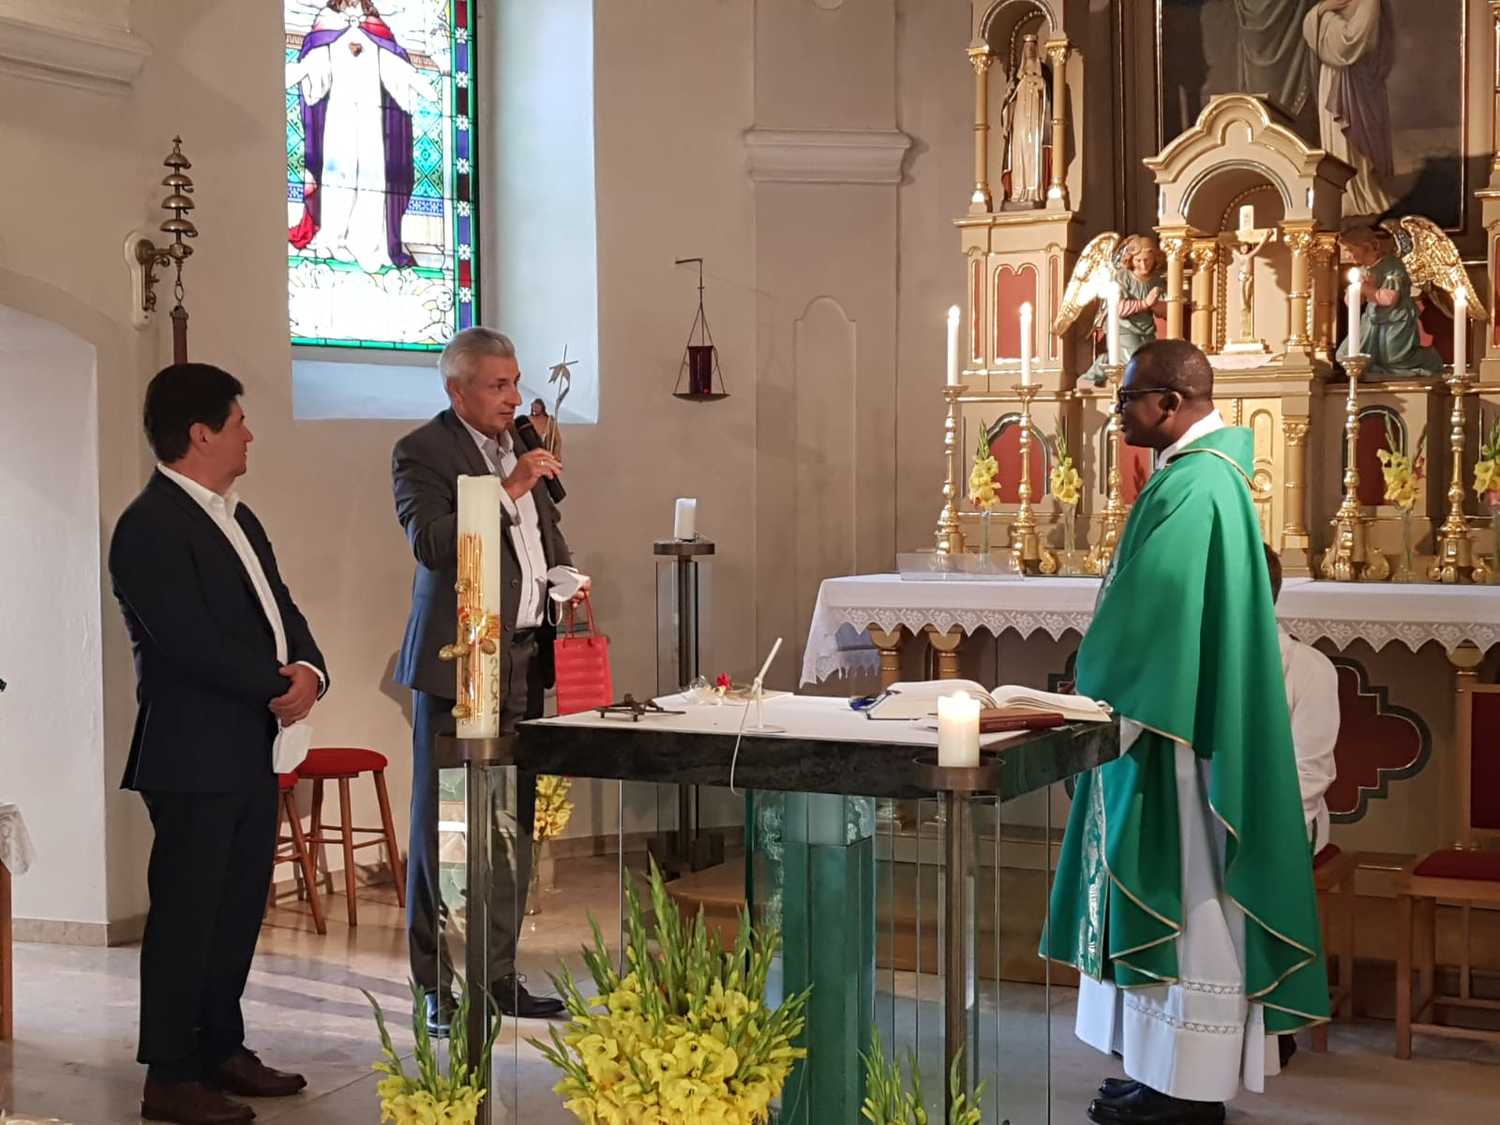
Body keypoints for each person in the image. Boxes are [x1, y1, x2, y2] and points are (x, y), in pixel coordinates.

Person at [1042, 339, 1328, 1125]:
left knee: (1192, 904)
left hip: (1179, 738)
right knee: (1177, 906)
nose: (1117, 411)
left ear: (1170, 403)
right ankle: (1160, 1071)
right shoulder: (1196, 477)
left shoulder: (1198, 485)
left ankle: (1189, 1090)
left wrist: (1095, 685)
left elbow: (1156, 617)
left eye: (1128, 397)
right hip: (1170, 721)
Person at [110, 364, 328, 1125]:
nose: (250, 435)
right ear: (200, 434)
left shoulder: (239, 517)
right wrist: (277, 684)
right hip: (192, 752)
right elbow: (188, 642)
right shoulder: (148, 525)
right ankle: (170, 1074)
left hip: (248, 746)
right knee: (187, 917)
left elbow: (281, 609)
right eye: (239, 423)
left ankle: (220, 1048)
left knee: (235, 911)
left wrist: (311, 670)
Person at [393, 327, 586, 1032]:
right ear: (457, 390)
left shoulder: (522, 449)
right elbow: (432, 542)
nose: (512, 397)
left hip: (526, 660)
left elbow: (542, 540)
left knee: (513, 824)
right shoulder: (422, 451)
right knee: (446, 827)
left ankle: (496, 972)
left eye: (515, 382)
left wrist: (563, 577)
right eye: (497, 385)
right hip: (461, 662)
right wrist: (509, 487)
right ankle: (437, 984)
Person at [287, 0, 435, 271]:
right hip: (340, 115)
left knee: (372, 178)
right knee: (337, 177)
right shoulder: (328, 22)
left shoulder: (374, 28)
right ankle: (333, 238)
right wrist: (299, 72)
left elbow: (392, 66)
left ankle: (365, 242)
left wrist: (414, 81)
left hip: (370, 117)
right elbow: (317, 64)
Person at [1303, 0, 1396, 219]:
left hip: (1355, 83)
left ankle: (1358, 196)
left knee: (1351, 146)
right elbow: (1312, 30)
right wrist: (1322, 11)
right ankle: (1343, 196)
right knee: (1335, 145)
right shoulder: (1332, 4)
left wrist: (1326, 18)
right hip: (1334, 77)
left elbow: (1349, 41)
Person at [1336, 226, 1441, 378]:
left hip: (1395, 320)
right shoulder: (1363, 270)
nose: (1347, 255)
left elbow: (1389, 298)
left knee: (1394, 359)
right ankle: (1377, 370)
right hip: (1372, 321)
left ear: (1367, 246)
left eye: (1350, 249)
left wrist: (1365, 288)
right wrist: (1354, 292)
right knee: (1345, 355)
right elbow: (1353, 304)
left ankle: (1428, 359)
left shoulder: (1392, 265)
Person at [1080, 235, 1167, 386]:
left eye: (1147, 260)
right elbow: (1118, 307)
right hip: (1123, 328)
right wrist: (1145, 303)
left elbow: (1164, 310)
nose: (1143, 265)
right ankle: (1096, 373)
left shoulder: (1156, 280)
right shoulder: (1122, 277)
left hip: (1146, 329)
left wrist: (1157, 304)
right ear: (1130, 260)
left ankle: (1109, 364)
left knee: (1150, 361)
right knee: (1134, 361)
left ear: (1155, 258)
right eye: (1138, 260)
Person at [1001, 34, 1047, 207]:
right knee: (1019, 150)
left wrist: (1039, 82)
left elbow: (1049, 96)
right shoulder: (1017, 76)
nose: (1029, 51)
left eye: (1032, 48)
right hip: (1020, 118)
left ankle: (1033, 190)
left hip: (1035, 119)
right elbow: (1010, 100)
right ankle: (1018, 191)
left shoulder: (1043, 72)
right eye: (1026, 48)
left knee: (1033, 151)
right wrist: (1007, 119)